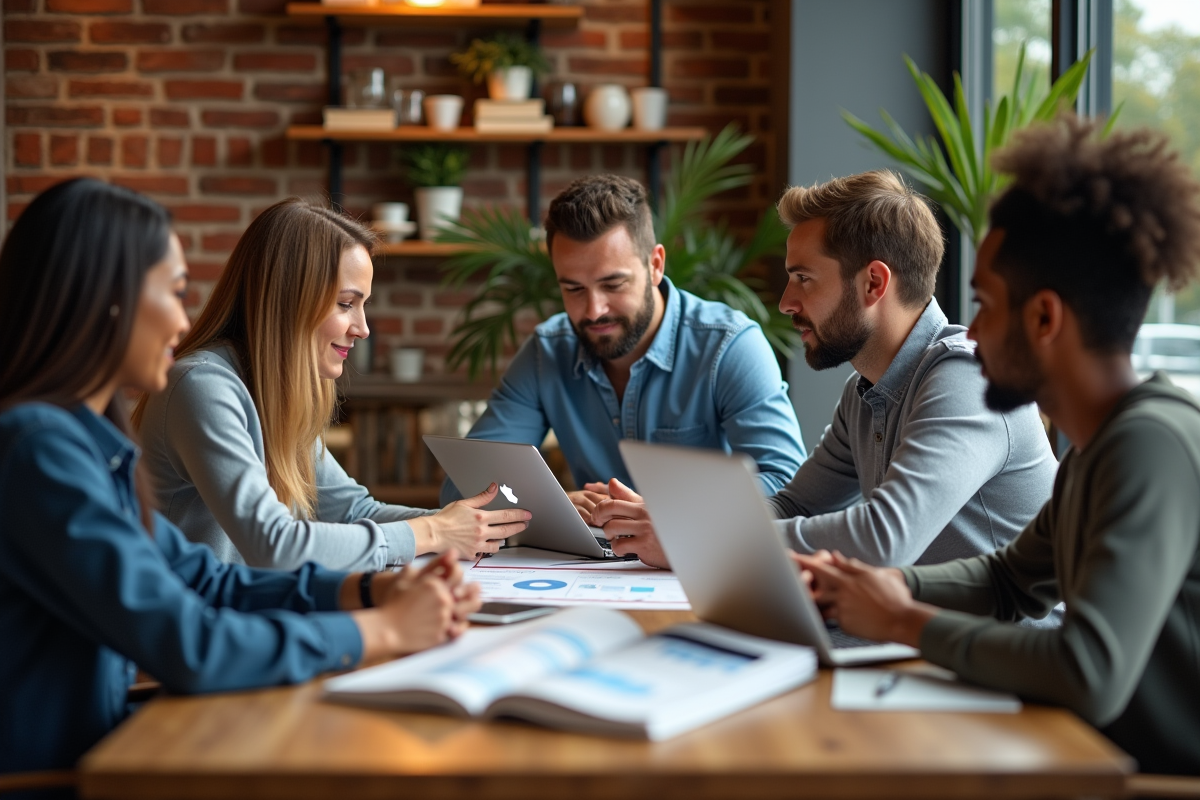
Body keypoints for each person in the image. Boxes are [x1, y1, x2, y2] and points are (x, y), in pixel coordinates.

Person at [0, 179, 481, 780]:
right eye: (174, 292)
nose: (183, 319)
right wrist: (381, 628)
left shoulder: (86, 445)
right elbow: (193, 643)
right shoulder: (40, 452)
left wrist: (364, 592)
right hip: (67, 777)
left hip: (112, 745)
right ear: (108, 301)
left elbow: (207, 580)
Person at [798, 116, 1200, 775]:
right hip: (1088, 757)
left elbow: (1088, 670)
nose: (973, 332)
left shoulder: (1149, 445)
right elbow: (1010, 579)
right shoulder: (1101, 447)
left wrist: (902, 620)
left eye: (985, 304)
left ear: (1044, 318)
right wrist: (880, 585)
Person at [593, 170, 1059, 576]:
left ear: (873, 283)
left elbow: (883, 537)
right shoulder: (865, 393)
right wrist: (681, 522)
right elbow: (793, 505)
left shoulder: (970, 379)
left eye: (804, 278)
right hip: (916, 634)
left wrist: (699, 539)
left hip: (1002, 648)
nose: (785, 302)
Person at [135, 198, 530, 572]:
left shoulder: (274, 392)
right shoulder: (201, 386)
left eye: (363, 305)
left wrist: (481, 525)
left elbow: (355, 513)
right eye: (345, 304)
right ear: (289, 300)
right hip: (189, 619)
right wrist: (432, 532)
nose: (363, 329)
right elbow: (274, 544)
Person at [440, 174, 806, 517]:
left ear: (655, 265)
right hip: (590, 561)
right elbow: (462, 489)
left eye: (613, 285)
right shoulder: (546, 353)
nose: (594, 310)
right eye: (573, 289)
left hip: (700, 558)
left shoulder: (729, 346)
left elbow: (787, 487)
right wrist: (552, 504)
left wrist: (664, 513)